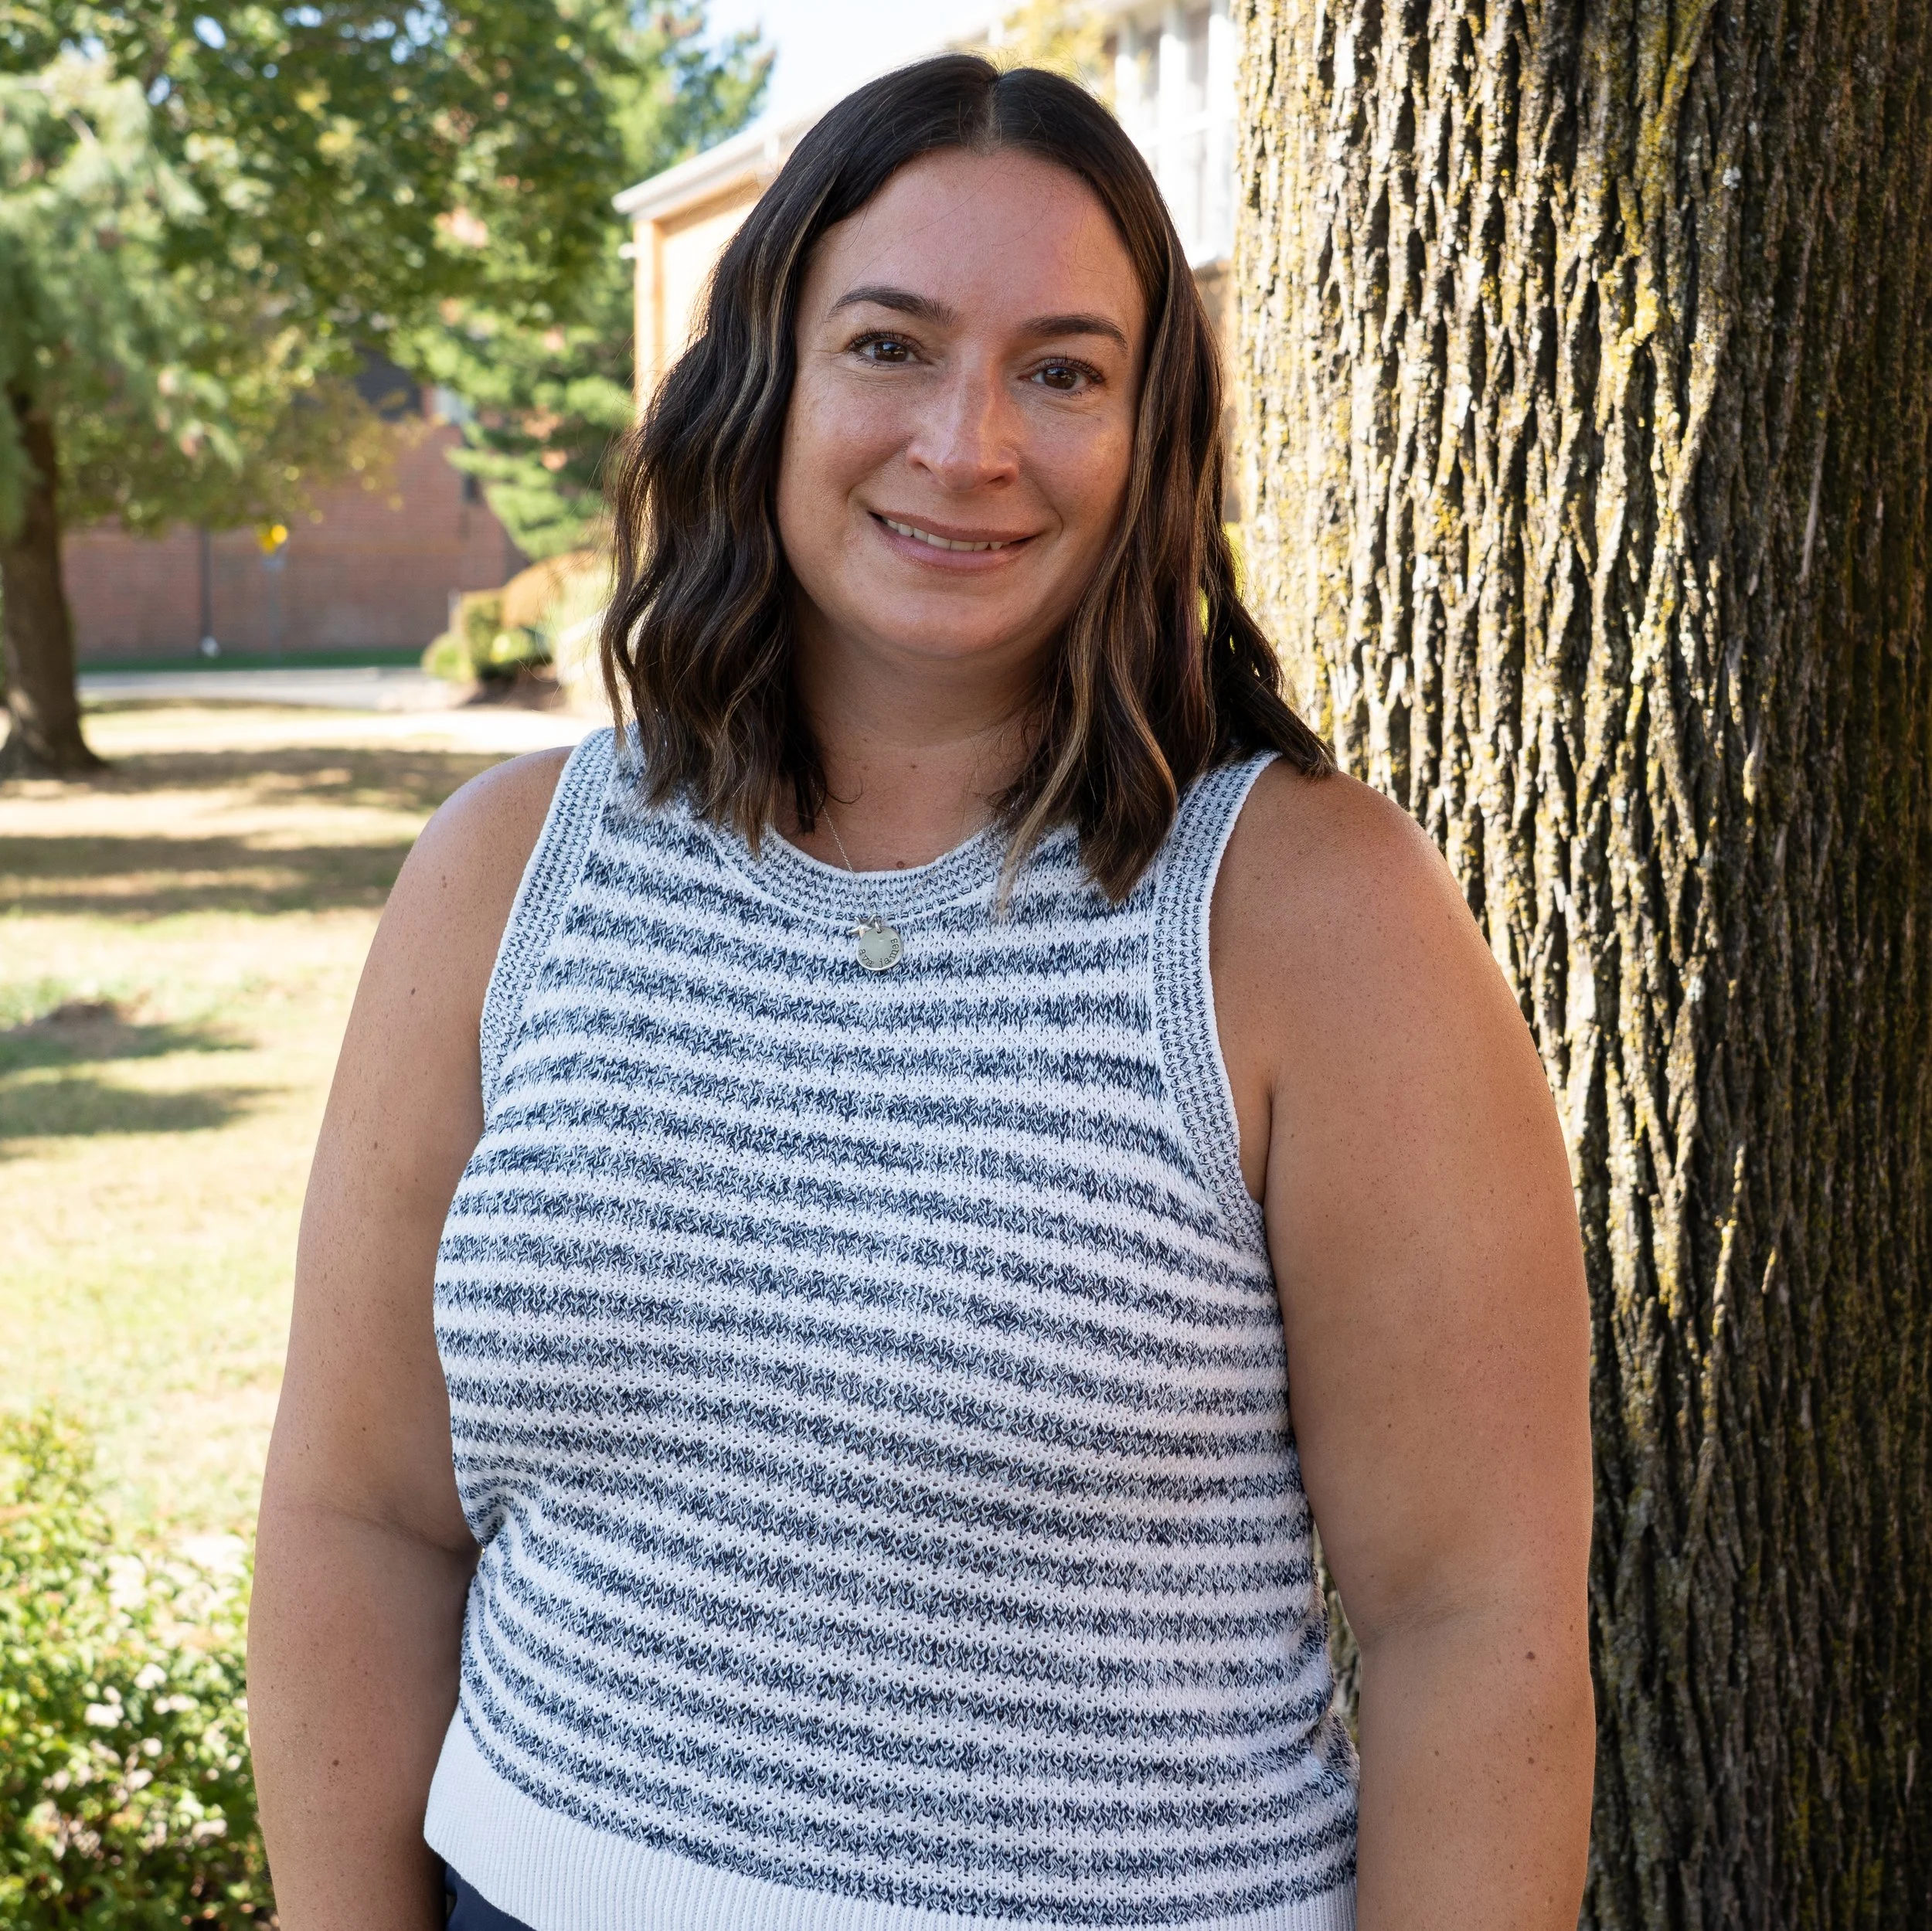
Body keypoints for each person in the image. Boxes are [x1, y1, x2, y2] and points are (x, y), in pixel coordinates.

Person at [247, 53, 1594, 1931]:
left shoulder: (1307, 918)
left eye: (1061, 369)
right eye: (887, 344)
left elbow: (1475, 1627)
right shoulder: (503, 876)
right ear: (763, 382)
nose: (967, 443)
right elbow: (361, 1516)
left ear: (1148, 438)